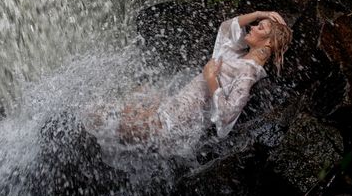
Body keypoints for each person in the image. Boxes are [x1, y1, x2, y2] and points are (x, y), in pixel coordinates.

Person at [86, 11, 293, 153]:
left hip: (173, 124)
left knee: (100, 121)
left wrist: (212, 79)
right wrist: (259, 14)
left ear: (269, 42)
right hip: (171, 109)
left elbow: (227, 116)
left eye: (260, 27)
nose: (253, 27)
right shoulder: (240, 57)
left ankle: (76, 136)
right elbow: (226, 29)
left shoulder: (248, 73)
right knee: (127, 102)